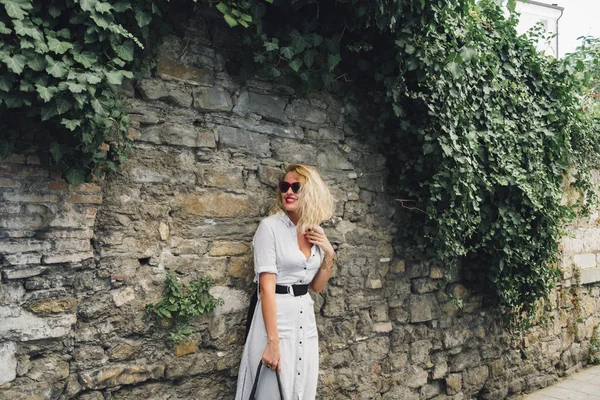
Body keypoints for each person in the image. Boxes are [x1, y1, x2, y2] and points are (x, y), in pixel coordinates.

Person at [235, 164, 336, 400]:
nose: (288, 192)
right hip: (276, 321)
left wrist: (329, 253)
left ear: (310, 191)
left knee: (301, 388)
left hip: (304, 320)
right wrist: (272, 342)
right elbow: (266, 288)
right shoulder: (269, 228)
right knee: (271, 390)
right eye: (284, 186)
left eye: (296, 187)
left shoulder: (315, 231)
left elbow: (317, 287)